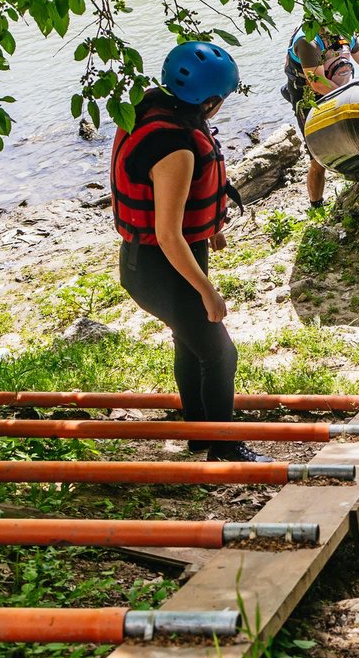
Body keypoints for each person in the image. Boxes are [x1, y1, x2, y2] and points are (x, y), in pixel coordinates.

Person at [110, 41, 268, 463]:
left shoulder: (150, 109)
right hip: (157, 266)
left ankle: (200, 434)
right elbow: (166, 233)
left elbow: (174, 209)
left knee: (190, 343)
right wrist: (207, 290)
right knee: (220, 354)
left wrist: (211, 229)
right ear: (211, 101)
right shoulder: (175, 148)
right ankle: (225, 447)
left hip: (161, 260)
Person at [282, 26, 359, 208]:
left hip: (338, 88)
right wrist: (347, 99)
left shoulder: (343, 29)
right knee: (317, 160)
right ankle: (316, 204)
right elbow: (317, 83)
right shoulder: (307, 41)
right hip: (309, 98)